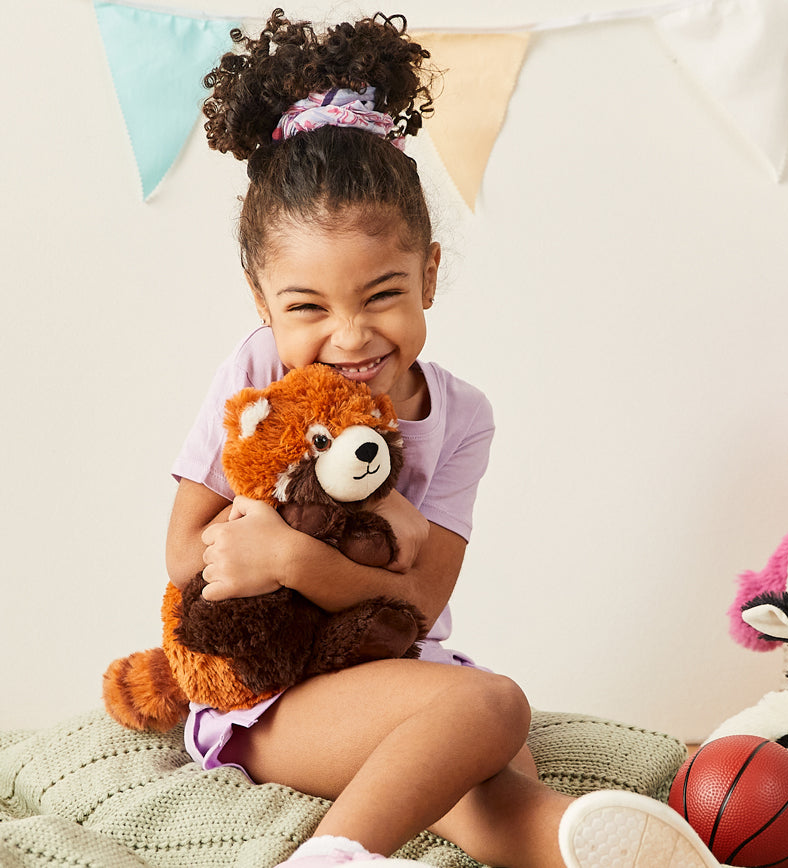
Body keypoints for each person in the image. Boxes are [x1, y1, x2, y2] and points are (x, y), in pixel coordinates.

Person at [169, 9, 721, 868]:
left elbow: (419, 607)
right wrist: (276, 564)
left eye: (382, 294)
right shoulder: (252, 372)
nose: (351, 338)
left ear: (428, 272)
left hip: (394, 670)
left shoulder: (463, 416)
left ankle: (596, 849)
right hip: (269, 695)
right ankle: (332, 857)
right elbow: (184, 558)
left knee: (501, 774)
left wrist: (290, 558)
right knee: (493, 708)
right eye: (308, 307)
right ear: (262, 302)